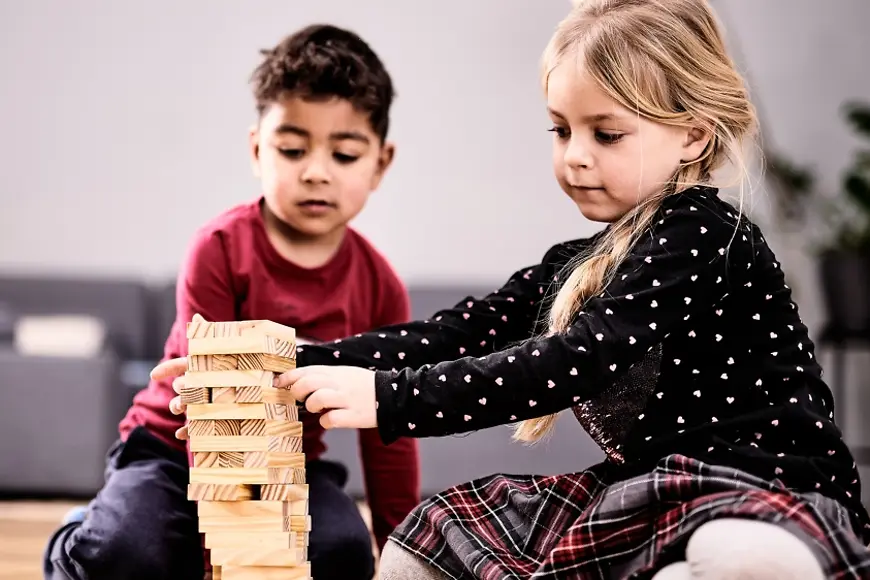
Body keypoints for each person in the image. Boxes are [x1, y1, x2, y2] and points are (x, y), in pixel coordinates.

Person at [157, 1, 870, 578]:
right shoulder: (577, 260)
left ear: (692, 135)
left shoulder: (706, 233)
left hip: (763, 487)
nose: (575, 156)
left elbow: (576, 359)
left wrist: (390, 400)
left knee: (738, 558)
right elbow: (449, 334)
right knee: (418, 548)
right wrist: (294, 361)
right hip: (650, 494)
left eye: (607, 133)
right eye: (561, 130)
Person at [44, 24, 420, 580]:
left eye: (343, 154)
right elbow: (212, 412)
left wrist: (399, 551)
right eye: (292, 149)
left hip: (289, 463)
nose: (315, 171)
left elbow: (389, 429)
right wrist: (224, 553)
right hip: (171, 452)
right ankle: (78, 538)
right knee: (131, 551)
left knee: (341, 551)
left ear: (380, 163)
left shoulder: (380, 283)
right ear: (256, 149)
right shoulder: (219, 250)